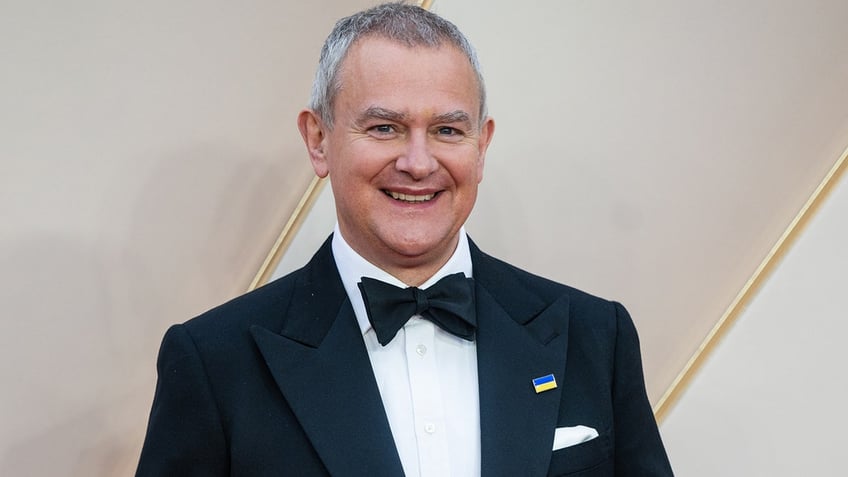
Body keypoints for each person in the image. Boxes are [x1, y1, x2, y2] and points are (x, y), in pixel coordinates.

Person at [136, 3, 673, 476]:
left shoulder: (598, 338)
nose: (418, 163)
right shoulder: (214, 362)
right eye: (384, 128)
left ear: (480, 147)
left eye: (447, 130)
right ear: (318, 140)